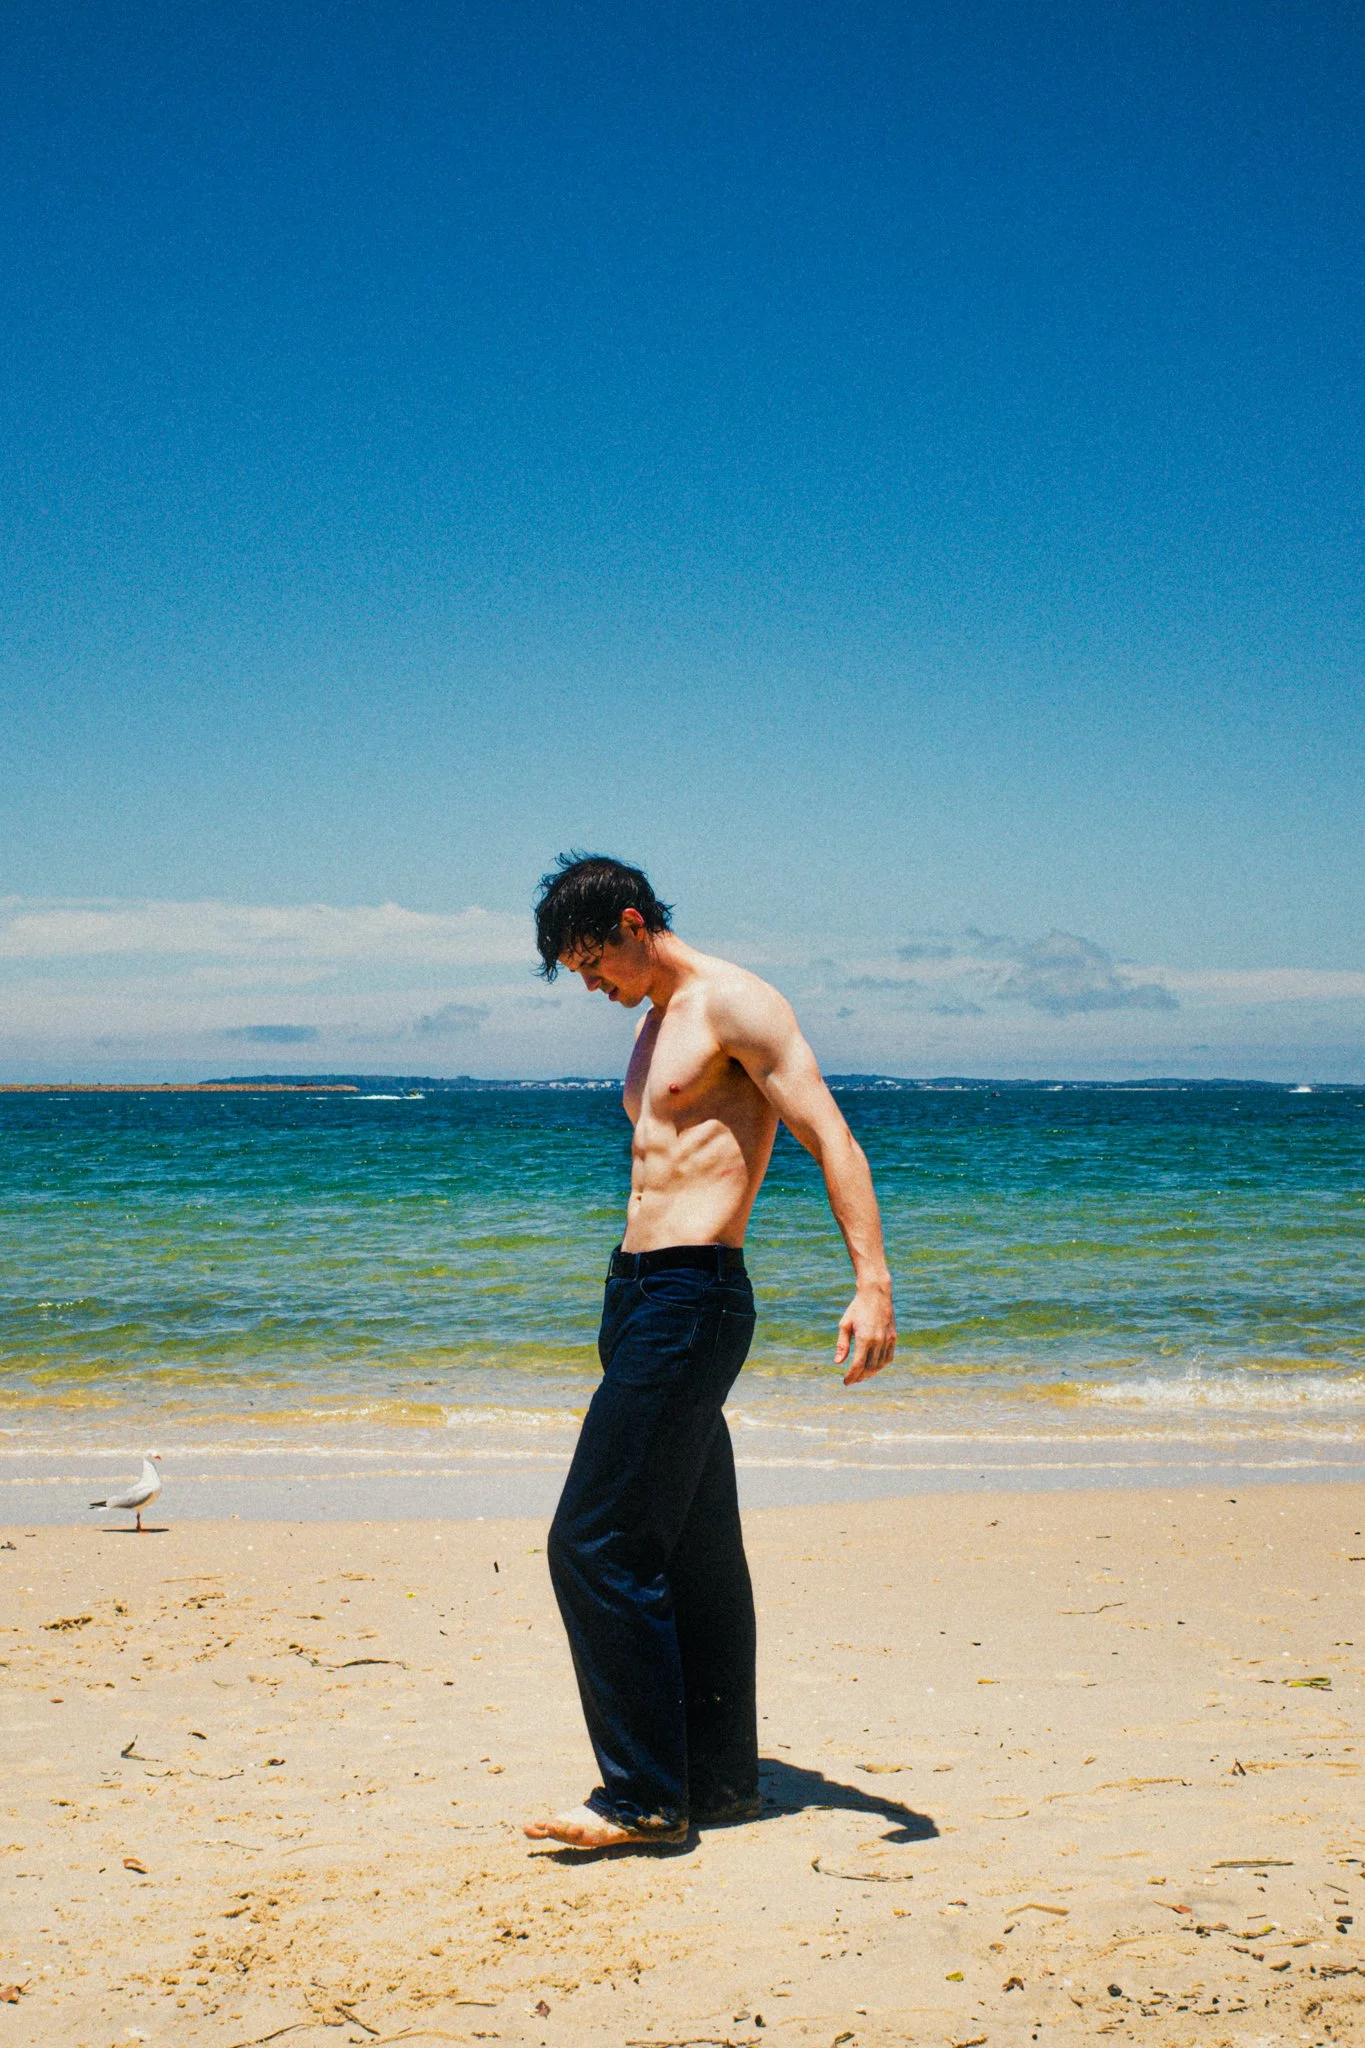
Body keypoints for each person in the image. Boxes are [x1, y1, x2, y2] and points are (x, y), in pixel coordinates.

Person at [523, 853, 896, 1850]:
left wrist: (872, 1283)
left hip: (694, 1294)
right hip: (638, 1290)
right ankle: (722, 1779)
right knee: (692, 1549)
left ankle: (643, 1792)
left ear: (635, 922)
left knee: (592, 1540)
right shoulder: (653, 1024)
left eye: (593, 960)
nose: (591, 984)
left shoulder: (738, 1004)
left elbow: (832, 1137)